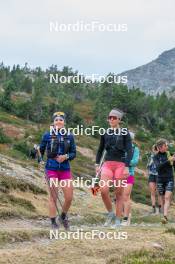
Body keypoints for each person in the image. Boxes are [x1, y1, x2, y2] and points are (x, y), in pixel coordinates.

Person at [95, 108, 133, 227]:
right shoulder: (105, 133)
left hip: (121, 165)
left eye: (114, 118)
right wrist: (97, 164)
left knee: (119, 193)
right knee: (103, 190)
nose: (111, 119)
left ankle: (118, 219)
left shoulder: (125, 133)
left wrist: (127, 166)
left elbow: (130, 150)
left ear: (119, 120)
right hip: (107, 164)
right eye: (109, 117)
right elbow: (100, 150)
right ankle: (110, 213)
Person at [39, 111, 76, 229]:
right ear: (53, 122)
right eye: (56, 120)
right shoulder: (47, 135)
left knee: (69, 198)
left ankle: (63, 216)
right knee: (53, 196)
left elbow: (73, 153)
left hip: (65, 169)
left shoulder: (70, 136)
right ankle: (53, 222)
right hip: (51, 169)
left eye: (61, 120)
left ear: (64, 122)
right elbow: (41, 150)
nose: (58, 122)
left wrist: (66, 156)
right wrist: (39, 161)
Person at [154, 139, 175, 224]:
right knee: (162, 199)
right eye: (165, 145)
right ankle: (163, 215)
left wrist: (172, 160)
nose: (167, 147)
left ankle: (165, 217)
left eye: (167, 145)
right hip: (160, 179)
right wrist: (169, 160)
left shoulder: (170, 154)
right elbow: (158, 168)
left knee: (167, 197)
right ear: (160, 147)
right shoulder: (155, 157)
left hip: (169, 178)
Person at [121, 132, 140, 226]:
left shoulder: (135, 149)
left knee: (126, 196)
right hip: (118, 174)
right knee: (119, 197)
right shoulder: (120, 148)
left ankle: (126, 218)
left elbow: (135, 162)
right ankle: (127, 215)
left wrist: (124, 161)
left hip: (129, 174)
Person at [147, 144, 161, 214]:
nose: (155, 150)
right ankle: (153, 208)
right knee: (152, 192)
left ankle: (160, 208)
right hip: (152, 175)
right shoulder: (151, 157)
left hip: (159, 176)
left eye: (156, 149)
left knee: (159, 192)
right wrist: (148, 173)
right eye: (154, 149)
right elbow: (148, 166)